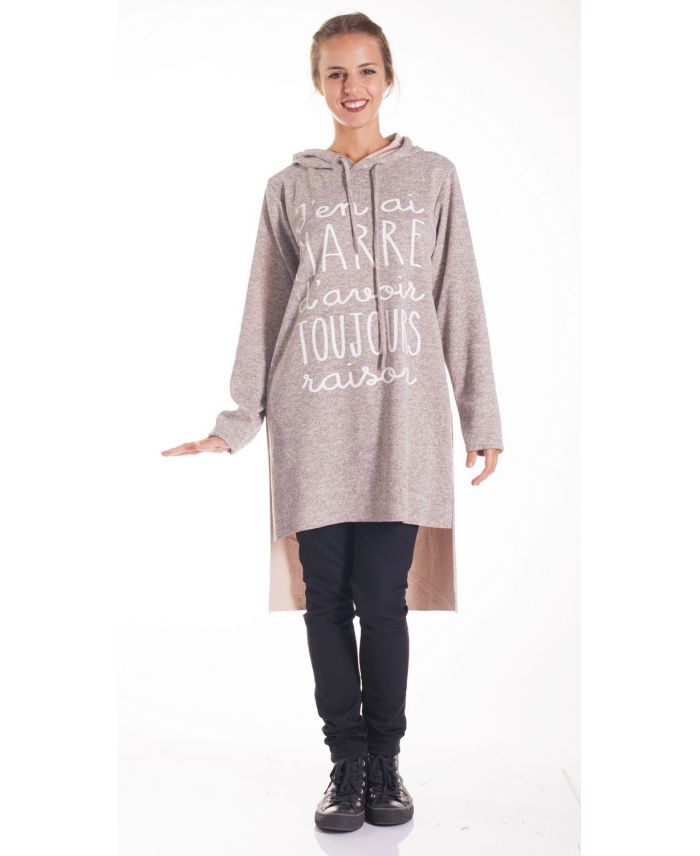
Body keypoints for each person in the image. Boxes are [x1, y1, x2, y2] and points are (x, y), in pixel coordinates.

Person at [162, 12, 504, 834]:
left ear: (389, 77)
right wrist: (235, 421)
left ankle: (386, 760)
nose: (352, 87)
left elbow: (457, 294)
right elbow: (266, 306)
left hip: (403, 419)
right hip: (312, 417)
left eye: (366, 71)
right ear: (317, 83)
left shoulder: (434, 177)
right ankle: (344, 763)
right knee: (325, 603)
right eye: (336, 73)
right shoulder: (289, 188)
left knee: (384, 600)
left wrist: (479, 414)